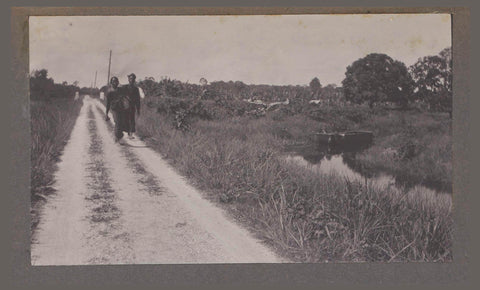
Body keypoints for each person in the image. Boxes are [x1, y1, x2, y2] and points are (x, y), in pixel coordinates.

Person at [105, 76, 129, 142]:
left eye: (116, 81)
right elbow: (108, 103)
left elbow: (125, 96)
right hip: (114, 109)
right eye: (113, 81)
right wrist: (106, 113)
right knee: (117, 122)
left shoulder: (121, 90)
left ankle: (116, 136)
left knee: (121, 123)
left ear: (118, 82)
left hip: (121, 108)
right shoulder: (109, 92)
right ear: (111, 82)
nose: (115, 83)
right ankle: (120, 137)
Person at [123, 73, 141, 139]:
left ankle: (131, 134)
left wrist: (138, 109)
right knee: (126, 120)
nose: (131, 80)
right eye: (130, 78)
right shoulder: (124, 87)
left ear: (134, 80)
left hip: (132, 107)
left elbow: (138, 99)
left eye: (133, 79)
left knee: (132, 120)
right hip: (125, 106)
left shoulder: (136, 89)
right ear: (128, 79)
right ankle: (127, 133)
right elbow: (121, 96)